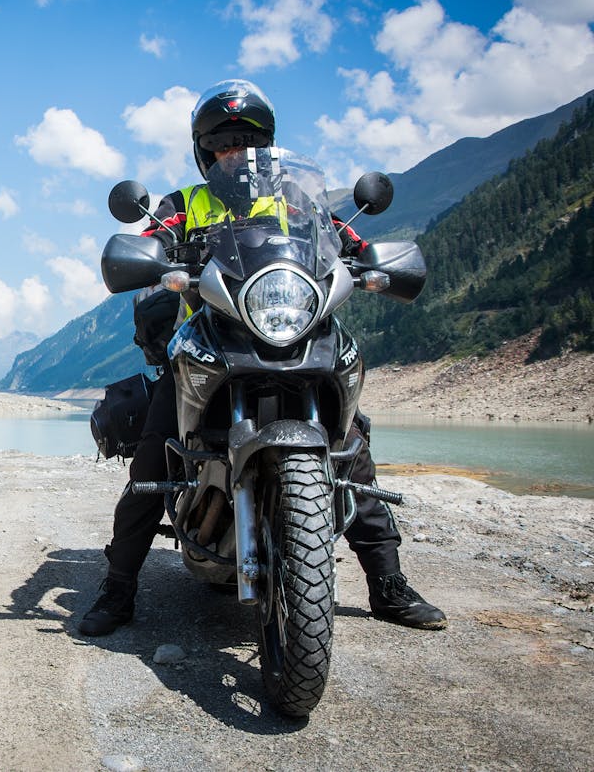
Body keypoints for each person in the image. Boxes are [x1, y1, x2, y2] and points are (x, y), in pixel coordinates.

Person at [80, 79, 446, 637]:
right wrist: (152, 255)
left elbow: (339, 240)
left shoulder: (297, 201)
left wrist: (367, 257)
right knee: (154, 456)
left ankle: (388, 582)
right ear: (205, 151)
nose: (235, 152)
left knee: (351, 447)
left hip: (295, 328)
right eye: (222, 143)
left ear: (266, 146)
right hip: (209, 340)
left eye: (246, 142)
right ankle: (118, 587)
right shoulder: (183, 205)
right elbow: (153, 239)